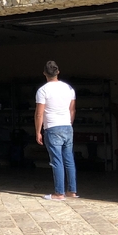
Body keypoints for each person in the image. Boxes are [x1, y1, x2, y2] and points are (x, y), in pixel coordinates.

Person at [34, 61, 78, 200]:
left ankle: (59, 193)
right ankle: (72, 191)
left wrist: (37, 131)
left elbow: (39, 113)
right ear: (58, 72)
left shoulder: (43, 90)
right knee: (69, 159)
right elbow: (72, 109)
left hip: (52, 128)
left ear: (44, 73)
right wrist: (69, 124)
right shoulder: (69, 89)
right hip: (67, 126)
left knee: (56, 161)